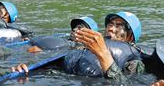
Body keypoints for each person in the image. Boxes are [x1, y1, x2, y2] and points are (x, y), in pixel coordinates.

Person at [12, 12, 143, 81]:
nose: (111, 29)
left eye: (118, 26)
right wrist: (31, 68)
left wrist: (103, 55)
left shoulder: (134, 60)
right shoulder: (84, 48)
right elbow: (58, 67)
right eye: (110, 24)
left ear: (130, 36)